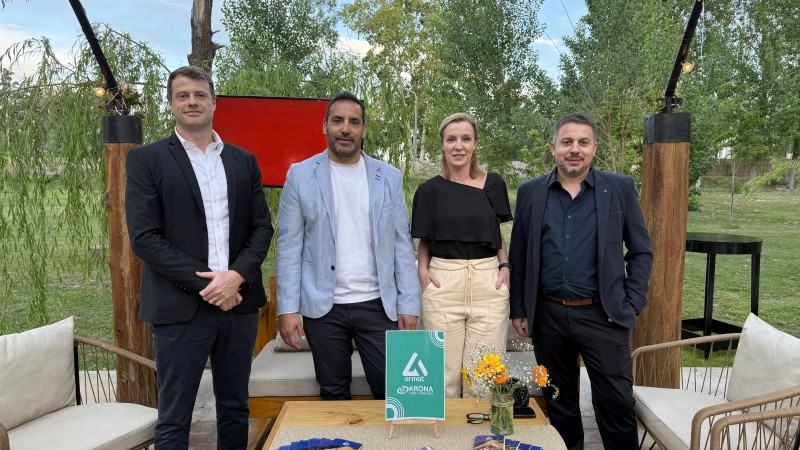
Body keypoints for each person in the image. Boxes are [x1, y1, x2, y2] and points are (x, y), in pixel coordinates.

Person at [126, 65, 273, 449]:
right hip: (180, 308)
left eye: (200, 94)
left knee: (235, 407)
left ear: (213, 102)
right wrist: (210, 285)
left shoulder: (244, 161)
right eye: (183, 95)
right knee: (175, 417)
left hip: (238, 306)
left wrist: (236, 276)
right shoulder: (147, 160)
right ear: (171, 103)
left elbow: (262, 229)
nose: (192, 101)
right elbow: (145, 238)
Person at [508, 113, 653, 450]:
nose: (575, 149)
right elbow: (519, 255)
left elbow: (641, 250)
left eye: (582, 143)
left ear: (594, 148)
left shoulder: (618, 188)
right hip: (548, 316)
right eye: (567, 142)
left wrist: (632, 301)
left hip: (603, 315)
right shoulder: (530, 192)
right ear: (554, 148)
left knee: (615, 404)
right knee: (559, 402)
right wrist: (520, 307)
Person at [276, 90, 419, 400]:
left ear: (363, 129)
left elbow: (401, 244)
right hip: (323, 309)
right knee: (333, 392)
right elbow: (288, 246)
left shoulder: (388, 177)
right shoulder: (300, 176)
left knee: (394, 393)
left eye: (354, 122)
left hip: (379, 306)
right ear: (325, 125)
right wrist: (287, 308)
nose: (345, 128)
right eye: (338, 120)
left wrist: (409, 302)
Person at [411, 113, 513, 398]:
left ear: (475, 144)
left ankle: (480, 440)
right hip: (445, 282)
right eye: (451, 139)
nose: (459, 146)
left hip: (487, 281)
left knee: (483, 377)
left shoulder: (494, 184)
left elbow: (495, 232)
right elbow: (425, 239)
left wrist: (504, 265)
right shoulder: (428, 191)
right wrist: (423, 271)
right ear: (442, 145)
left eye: (465, 139)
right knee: (442, 379)